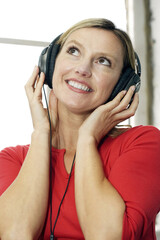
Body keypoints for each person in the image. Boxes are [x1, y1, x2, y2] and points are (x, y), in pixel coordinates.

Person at [0, 18, 160, 240]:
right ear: (51, 62)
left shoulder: (144, 143)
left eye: (103, 61)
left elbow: (106, 236)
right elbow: (15, 235)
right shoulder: (12, 160)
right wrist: (41, 133)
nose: (83, 69)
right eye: (74, 51)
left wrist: (87, 138)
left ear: (123, 84)